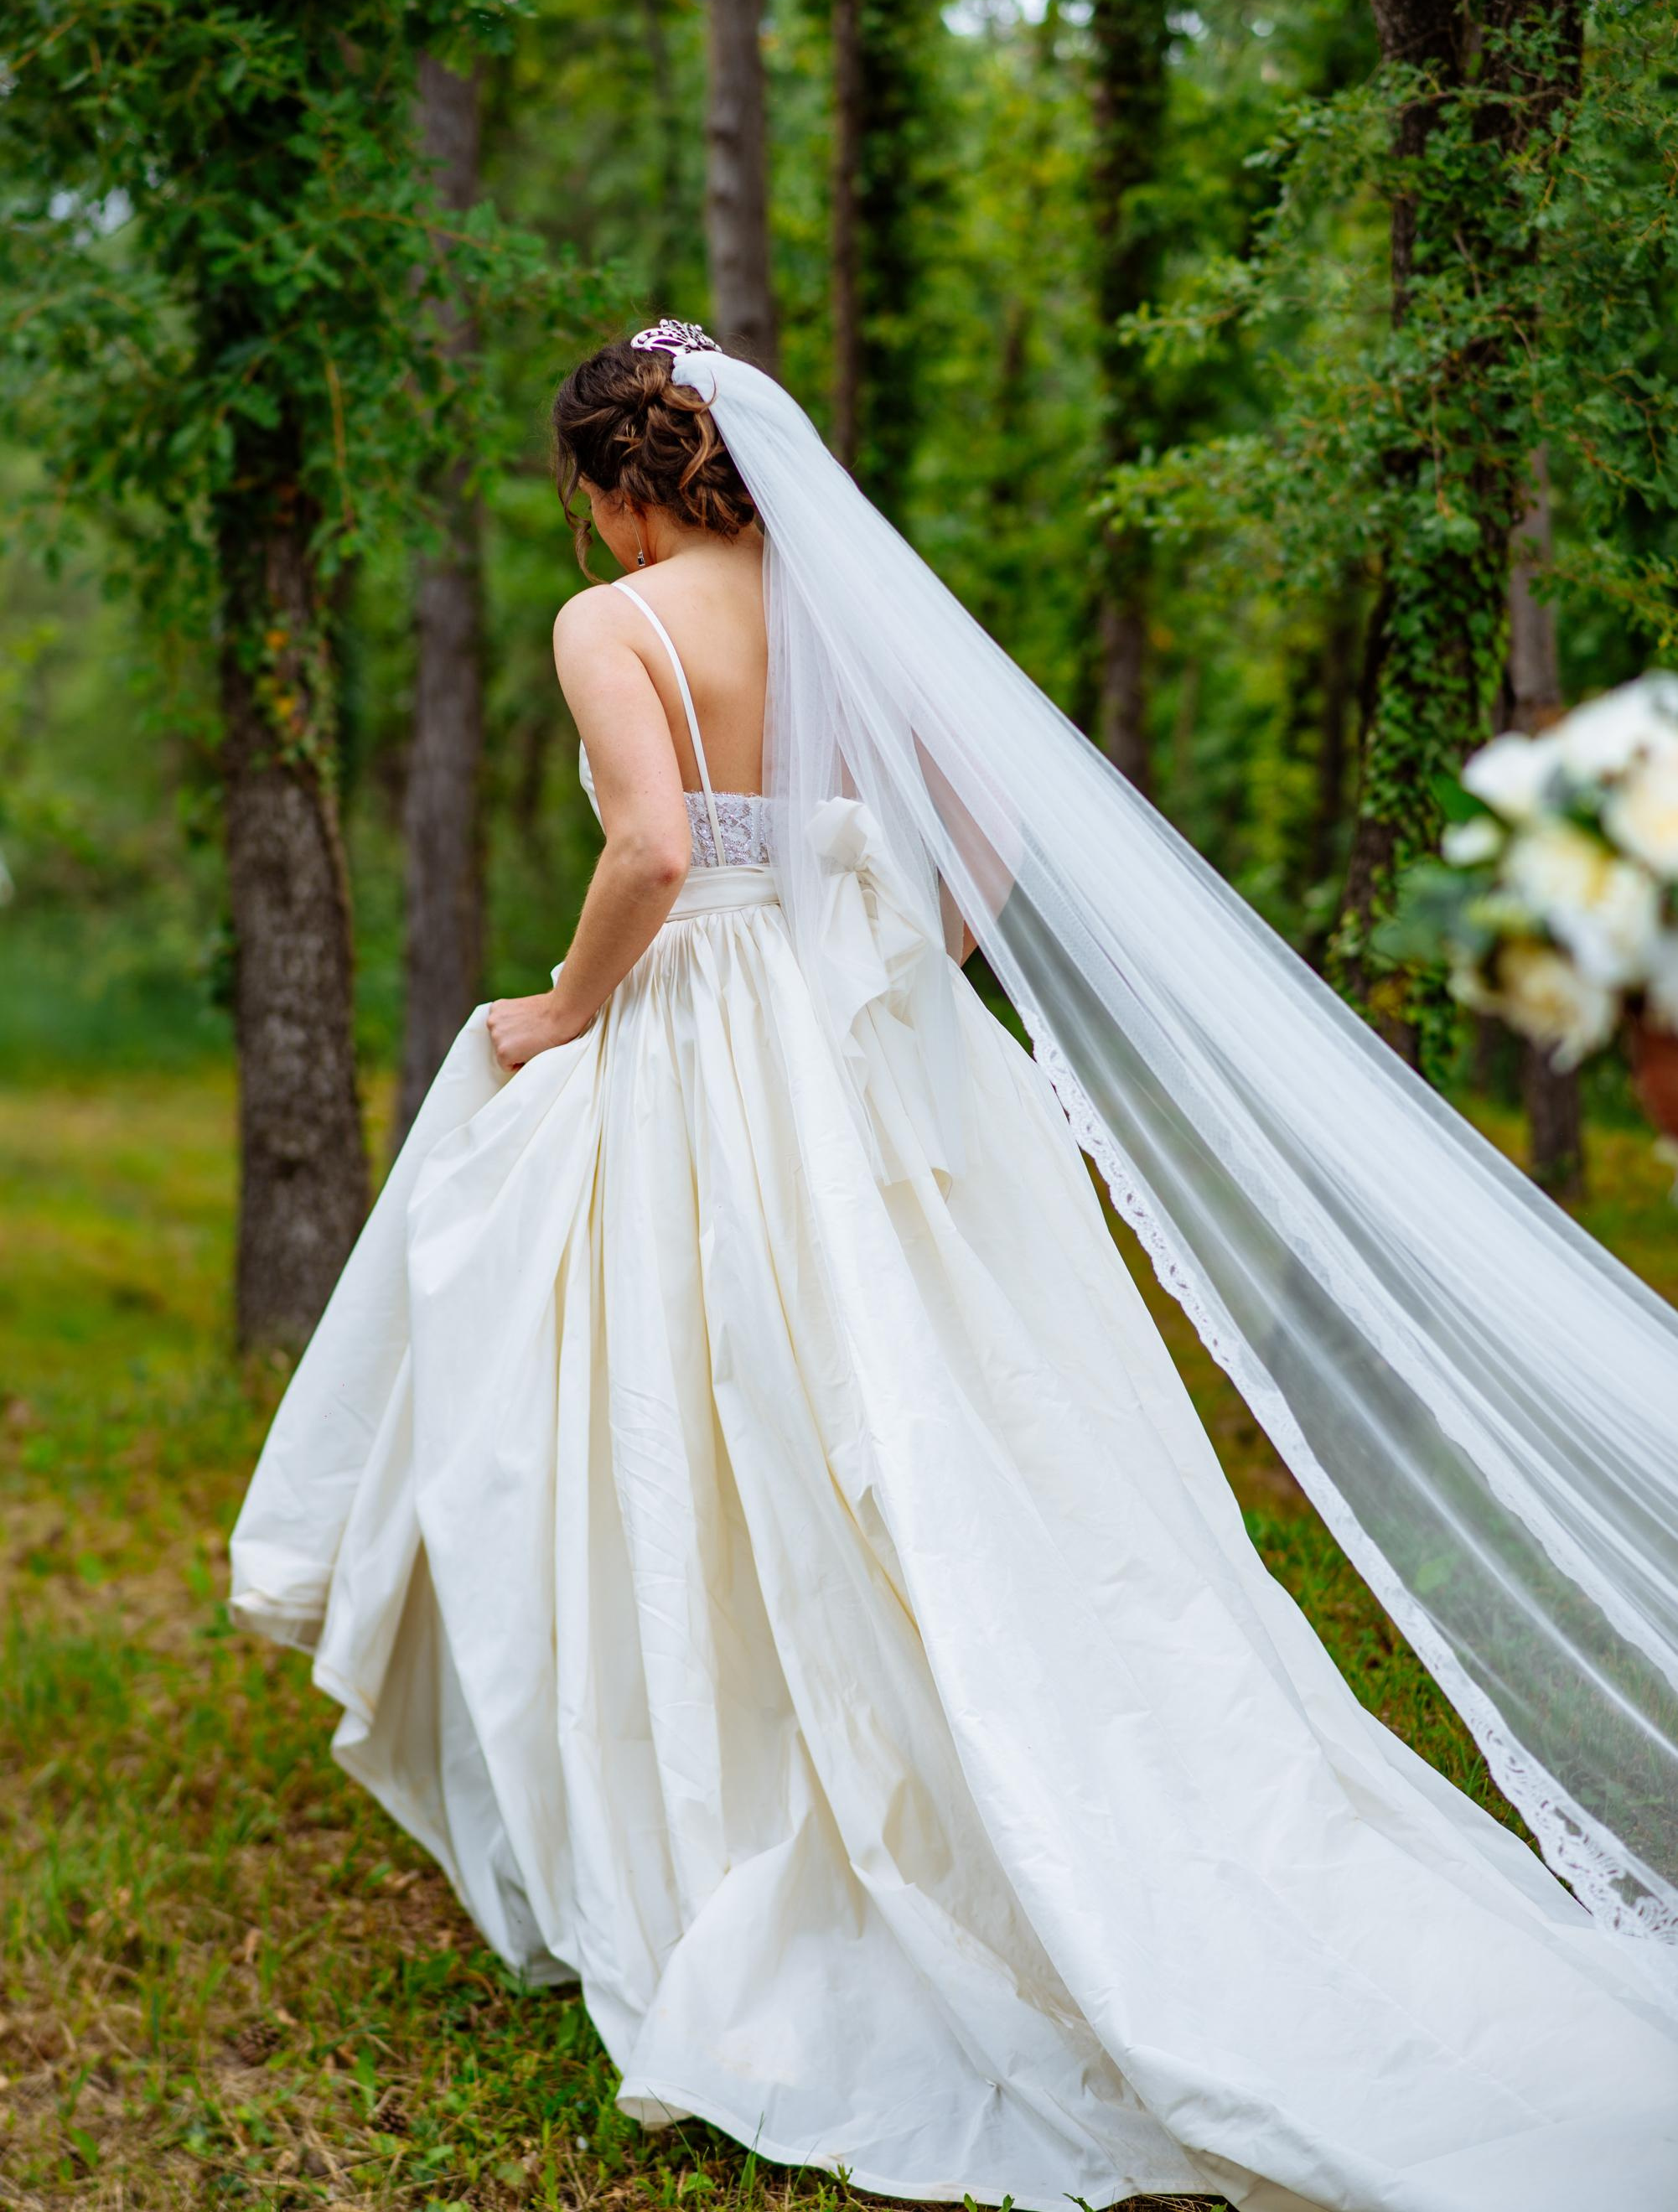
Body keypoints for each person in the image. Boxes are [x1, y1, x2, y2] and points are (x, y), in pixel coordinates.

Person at [232, 324, 1678, 2212]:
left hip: (703, 1039)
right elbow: (981, 856)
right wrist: (867, 947)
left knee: (692, 1411)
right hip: (877, 1045)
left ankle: (725, 1804)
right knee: (946, 1423)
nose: (585, 536)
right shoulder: (846, 610)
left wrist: (558, 1014)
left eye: (582, 500)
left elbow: (655, 851)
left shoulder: (621, 626)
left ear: (612, 482)